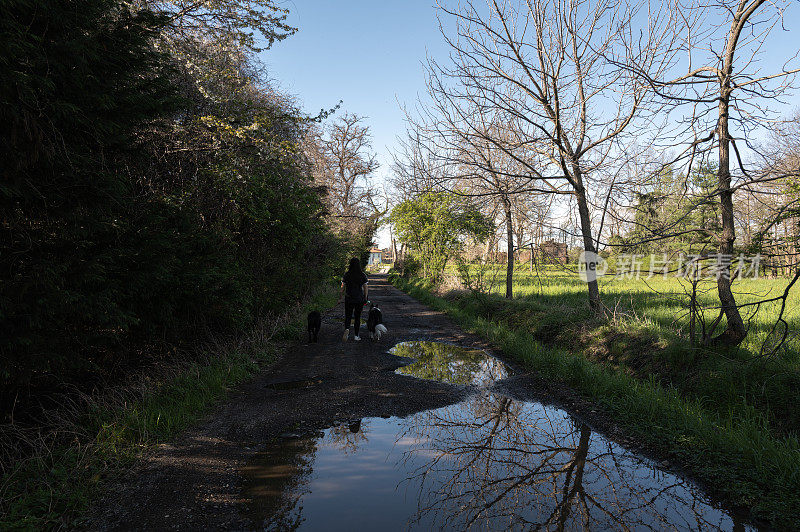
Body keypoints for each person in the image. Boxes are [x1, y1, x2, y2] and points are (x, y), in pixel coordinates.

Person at [340, 257, 368, 341]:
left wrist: (340, 296)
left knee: (348, 316)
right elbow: (365, 287)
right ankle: (356, 336)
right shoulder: (362, 275)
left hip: (349, 298)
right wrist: (365, 296)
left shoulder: (347, 274)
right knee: (357, 317)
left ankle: (347, 329)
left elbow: (342, 287)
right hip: (359, 298)